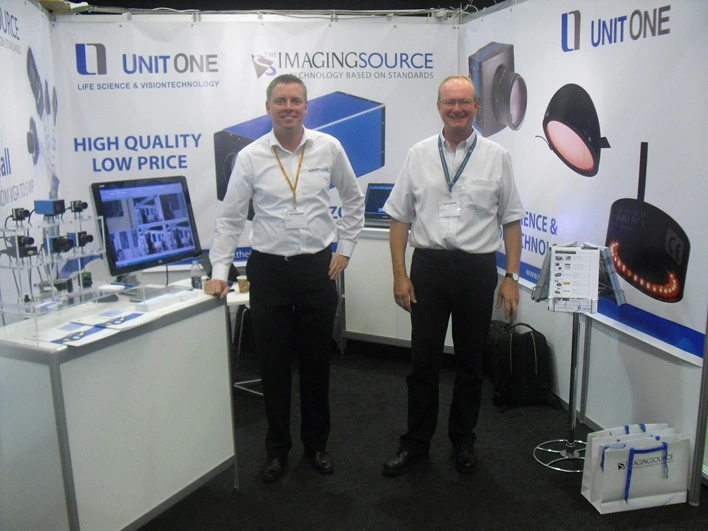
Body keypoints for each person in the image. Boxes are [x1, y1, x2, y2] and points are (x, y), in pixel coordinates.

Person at [205, 74, 365, 482]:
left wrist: (346, 248)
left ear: (306, 107)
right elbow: (230, 219)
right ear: (268, 107)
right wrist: (220, 271)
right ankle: (276, 450)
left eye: (295, 101)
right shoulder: (251, 156)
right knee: (273, 367)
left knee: (316, 364)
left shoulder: (329, 147)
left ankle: (316, 446)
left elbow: (353, 198)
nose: (288, 107)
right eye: (281, 101)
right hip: (269, 270)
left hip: (316, 268)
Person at [381, 75, 524, 476]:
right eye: (449, 102)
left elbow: (511, 221)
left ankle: (463, 441)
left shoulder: (497, 156)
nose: (456, 109)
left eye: (464, 102)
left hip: (477, 270)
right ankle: (415, 443)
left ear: (477, 105)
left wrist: (511, 276)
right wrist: (399, 274)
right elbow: (399, 219)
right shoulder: (419, 154)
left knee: (471, 364)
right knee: (422, 362)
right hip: (428, 267)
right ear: (439, 107)